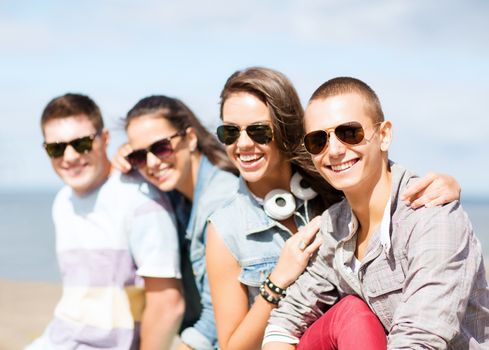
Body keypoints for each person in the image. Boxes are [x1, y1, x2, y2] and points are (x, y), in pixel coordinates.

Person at [205, 67, 463, 350]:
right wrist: (277, 281)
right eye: (230, 132)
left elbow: (375, 170)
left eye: (258, 131)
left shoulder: (332, 190)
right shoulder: (228, 227)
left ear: (285, 130)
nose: (243, 143)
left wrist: (446, 187)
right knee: (352, 312)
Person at [263, 77, 489, 349]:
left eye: (349, 133)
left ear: (383, 135)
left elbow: (420, 338)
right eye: (318, 140)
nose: (334, 150)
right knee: (349, 311)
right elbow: (288, 318)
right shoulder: (335, 225)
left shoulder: (431, 217)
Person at [27, 93, 184, 350]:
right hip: (58, 339)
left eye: (81, 144)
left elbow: (168, 304)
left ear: (105, 139)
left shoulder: (140, 199)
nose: (69, 157)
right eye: (56, 148)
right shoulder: (63, 202)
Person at [115, 95, 239, 350]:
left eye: (161, 147)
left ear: (190, 138)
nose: (151, 163)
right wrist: (119, 164)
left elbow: (218, 316)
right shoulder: (179, 195)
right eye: (139, 155)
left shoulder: (221, 201)